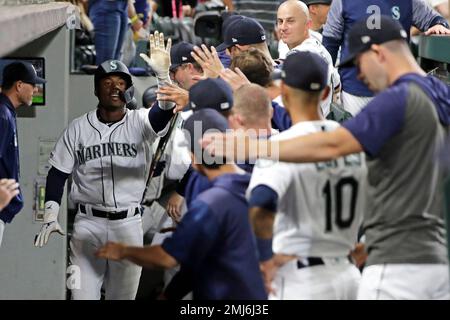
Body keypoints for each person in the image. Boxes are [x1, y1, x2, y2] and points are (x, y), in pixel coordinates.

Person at [203, 17, 450, 300]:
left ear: (378, 53)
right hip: (432, 259)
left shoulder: (400, 96)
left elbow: (332, 145)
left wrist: (254, 148)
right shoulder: (441, 95)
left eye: (358, 65)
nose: (359, 77)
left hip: (392, 270)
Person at [34, 32, 182, 300]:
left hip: (128, 225)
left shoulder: (140, 121)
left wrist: (163, 77)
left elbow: (163, 114)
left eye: (121, 82)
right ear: (96, 88)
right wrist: (50, 211)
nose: (115, 87)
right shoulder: (78, 128)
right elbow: (58, 173)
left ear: (127, 89)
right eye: (108, 82)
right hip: (87, 225)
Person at [96, 109, 267, 300]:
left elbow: (165, 258)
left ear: (193, 159)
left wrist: (123, 251)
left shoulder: (212, 203)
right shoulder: (259, 186)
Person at [247, 51, 365, 299]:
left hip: (302, 280)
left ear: (285, 94)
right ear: (324, 94)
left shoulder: (281, 146)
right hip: (349, 275)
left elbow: (260, 203)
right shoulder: (349, 142)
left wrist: (265, 259)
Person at [322, 0, 450, 115]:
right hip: (355, 86)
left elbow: (435, 20)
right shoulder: (343, 1)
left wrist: (439, 25)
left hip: (396, 86)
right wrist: (328, 80)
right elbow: (330, 42)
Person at [0, 61, 46, 247]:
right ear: (19, 85)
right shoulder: (2, 114)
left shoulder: (6, 112)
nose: (35, 90)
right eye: (32, 84)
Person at [277, 0, 341, 117]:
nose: (283, 27)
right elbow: (337, 85)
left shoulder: (301, 56)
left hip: (309, 125)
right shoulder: (320, 48)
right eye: (280, 21)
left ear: (308, 24)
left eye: (290, 21)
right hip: (322, 121)